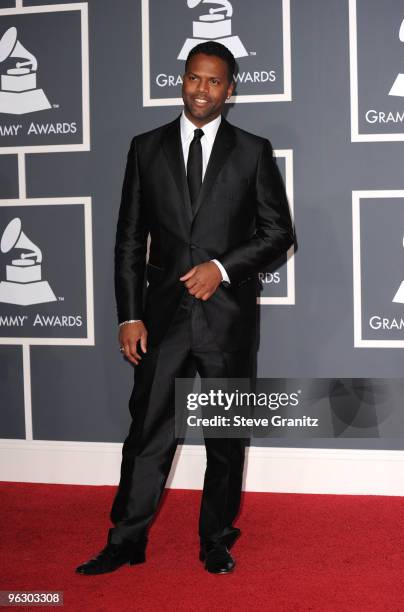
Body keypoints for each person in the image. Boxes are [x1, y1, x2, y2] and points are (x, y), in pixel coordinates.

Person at [76, 40, 294, 576]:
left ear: (231, 90)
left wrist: (220, 268)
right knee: (147, 431)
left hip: (227, 319)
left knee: (224, 437)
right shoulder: (145, 148)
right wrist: (128, 315)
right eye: (195, 78)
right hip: (162, 318)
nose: (203, 89)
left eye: (215, 81)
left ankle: (216, 539)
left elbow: (279, 232)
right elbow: (129, 240)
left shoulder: (252, 150)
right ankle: (126, 539)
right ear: (182, 80)